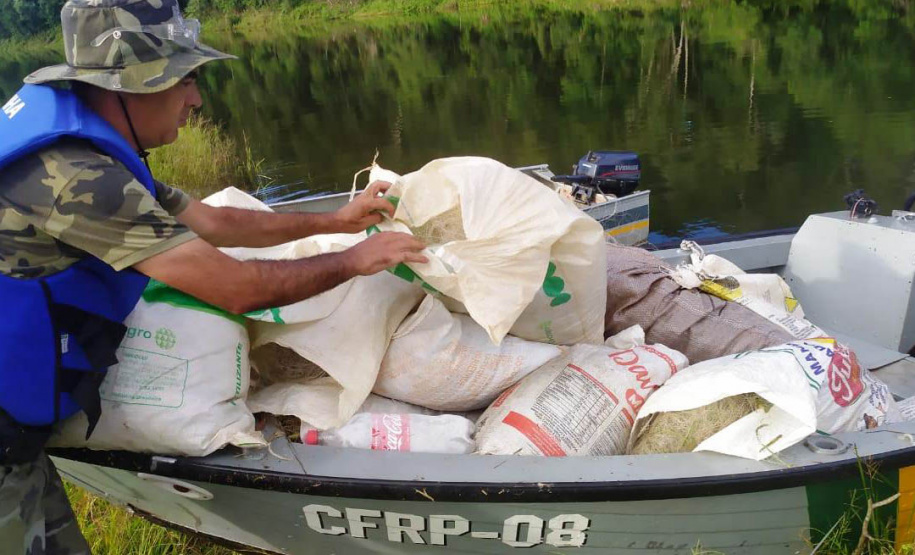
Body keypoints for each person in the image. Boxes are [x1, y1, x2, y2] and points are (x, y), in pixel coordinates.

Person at [0, 1, 426, 553]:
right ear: (129, 88)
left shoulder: (87, 135)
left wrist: (339, 220)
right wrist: (357, 260)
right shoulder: (74, 177)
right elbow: (238, 289)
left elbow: (215, 221)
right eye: (185, 80)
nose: (196, 99)